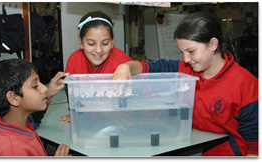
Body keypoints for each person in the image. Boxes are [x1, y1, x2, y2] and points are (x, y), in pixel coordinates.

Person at [112, 12, 258, 156]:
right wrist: (125, 67)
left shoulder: (245, 85)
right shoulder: (186, 70)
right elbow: (151, 67)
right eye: (182, 52)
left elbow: (255, 140)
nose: (186, 59)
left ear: (213, 44)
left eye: (191, 51)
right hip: (192, 148)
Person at [58, 10, 132, 123]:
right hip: (86, 122)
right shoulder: (74, 60)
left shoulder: (122, 63)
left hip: (119, 122)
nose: (98, 50)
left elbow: (131, 102)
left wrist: (112, 115)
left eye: (105, 43)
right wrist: (75, 113)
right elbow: (72, 94)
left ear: (112, 41)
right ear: (81, 41)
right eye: (91, 44)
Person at [0, 59, 70, 156]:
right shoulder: (12, 151)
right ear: (13, 98)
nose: (44, 88)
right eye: (35, 86)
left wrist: (48, 95)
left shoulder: (19, 123)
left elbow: (34, 118)